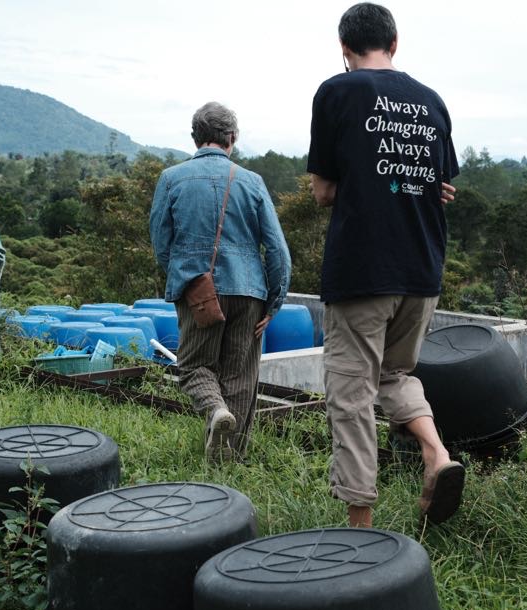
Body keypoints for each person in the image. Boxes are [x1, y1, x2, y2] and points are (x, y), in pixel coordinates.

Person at [308, 3, 463, 527]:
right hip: (422, 267)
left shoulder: (337, 91)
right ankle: (436, 452)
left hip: (361, 269)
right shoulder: (432, 101)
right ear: (395, 43)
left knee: (350, 395)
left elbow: (323, 190)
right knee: (395, 373)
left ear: (345, 51)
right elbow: (440, 187)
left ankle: (360, 529)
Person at [150, 102, 292, 462]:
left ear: (196, 137)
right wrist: (273, 303)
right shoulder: (253, 182)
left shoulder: (171, 178)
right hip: (250, 293)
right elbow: (277, 250)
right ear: (232, 138)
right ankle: (229, 463)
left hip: (198, 291)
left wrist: (185, 280)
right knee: (241, 378)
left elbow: (161, 242)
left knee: (195, 367)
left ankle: (214, 410)